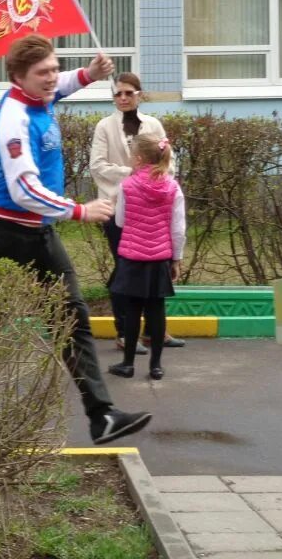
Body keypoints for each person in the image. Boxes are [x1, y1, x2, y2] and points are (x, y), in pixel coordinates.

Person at [0, 34, 152, 446]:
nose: (53, 78)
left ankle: (102, 416)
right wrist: (79, 210)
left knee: (71, 319)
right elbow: (24, 190)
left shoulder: (39, 97)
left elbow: (63, 84)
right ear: (18, 78)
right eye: (43, 73)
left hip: (35, 232)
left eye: (55, 69)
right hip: (11, 234)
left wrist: (89, 74)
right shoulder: (14, 120)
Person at [90, 72, 185, 353]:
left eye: (128, 93)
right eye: (117, 94)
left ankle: (155, 332)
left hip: (152, 209)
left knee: (157, 267)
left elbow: (168, 162)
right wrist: (132, 174)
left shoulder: (153, 125)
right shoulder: (105, 127)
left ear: (139, 95)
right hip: (117, 208)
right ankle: (123, 332)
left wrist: (153, 180)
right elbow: (97, 166)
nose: (122, 98)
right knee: (125, 269)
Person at [106, 134, 185, 381]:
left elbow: (119, 220)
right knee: (157, 311)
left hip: (132, 258)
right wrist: (176, 258)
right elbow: (178, 228)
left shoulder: (126, 186)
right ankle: (156, 366)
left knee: (132, 311)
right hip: (159, 258)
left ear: (138, 159)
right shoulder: (172, 187)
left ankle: (128, 364)